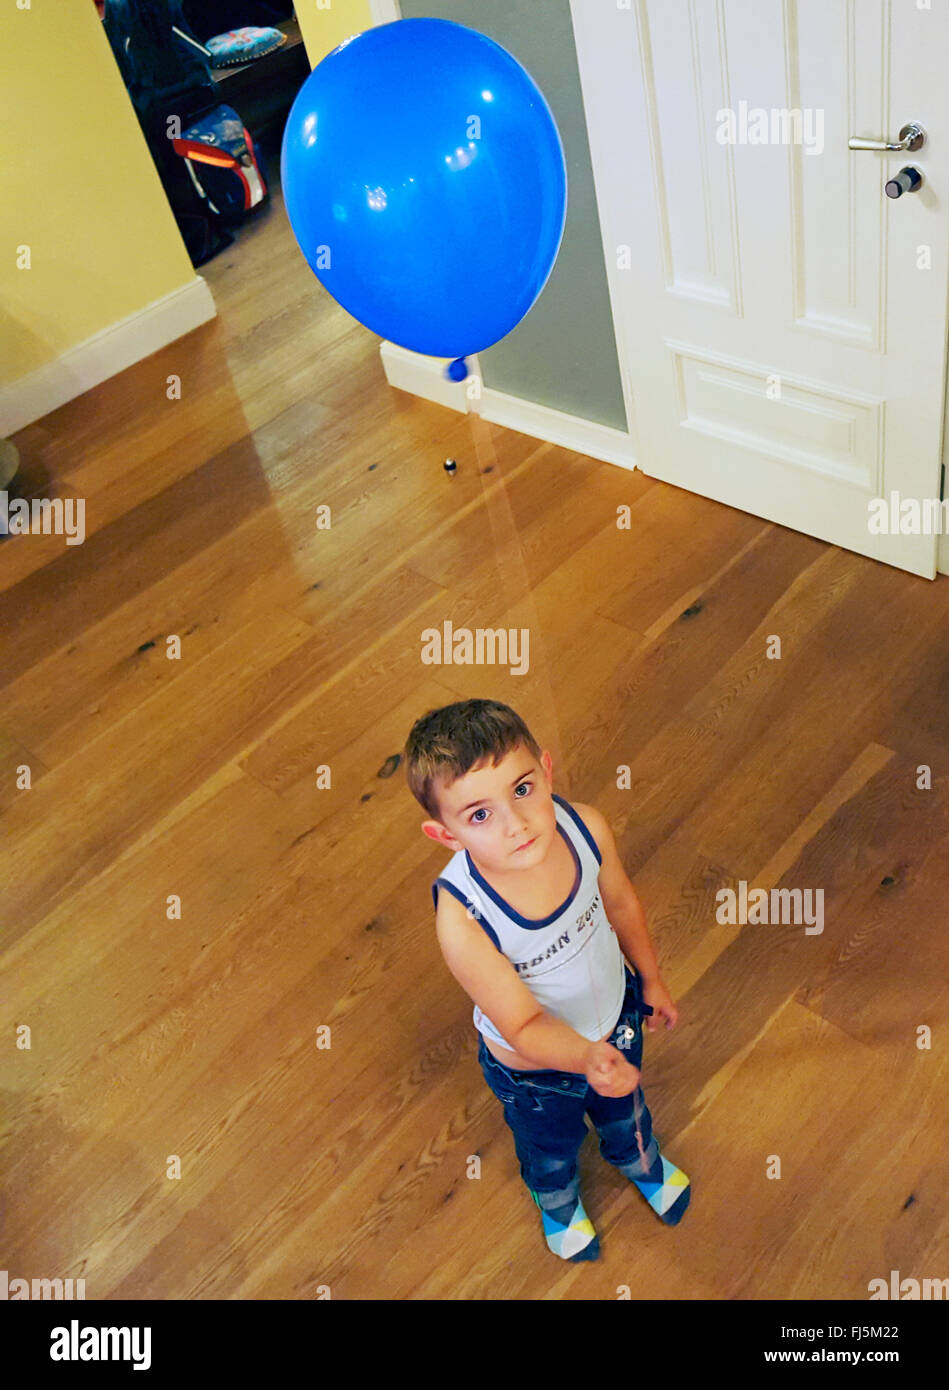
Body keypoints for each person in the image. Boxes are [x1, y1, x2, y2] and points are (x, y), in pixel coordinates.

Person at [402, 698, 691, 1262]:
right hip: (534, 1071)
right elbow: (524, 1022)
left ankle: (637, 1157)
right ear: (446, 836)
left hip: (617, 1015)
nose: (516, 823)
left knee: (625, 1108)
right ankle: (557, 1199)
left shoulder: (585, 826)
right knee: (550, 1145)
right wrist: (584, 1057)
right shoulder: (463, 920)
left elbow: (621, 904)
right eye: (480, 815)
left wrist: (651, 980)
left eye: (522, 788)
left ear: (546, 769)